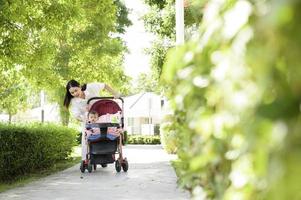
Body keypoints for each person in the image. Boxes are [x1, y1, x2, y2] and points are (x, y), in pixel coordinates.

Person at [63, 79, 121, 162]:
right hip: (88, 120)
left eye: (76, 90)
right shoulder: (74, 101)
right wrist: (87, 117)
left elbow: (104, 85)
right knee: (88, 136)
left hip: (102, 115)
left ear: (80, 86)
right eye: (72, 93)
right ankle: (87, 159)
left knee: (108, 133)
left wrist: (115, 93)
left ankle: (108, 155)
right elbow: (76, 116)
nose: (75, 94)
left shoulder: (90, 87)